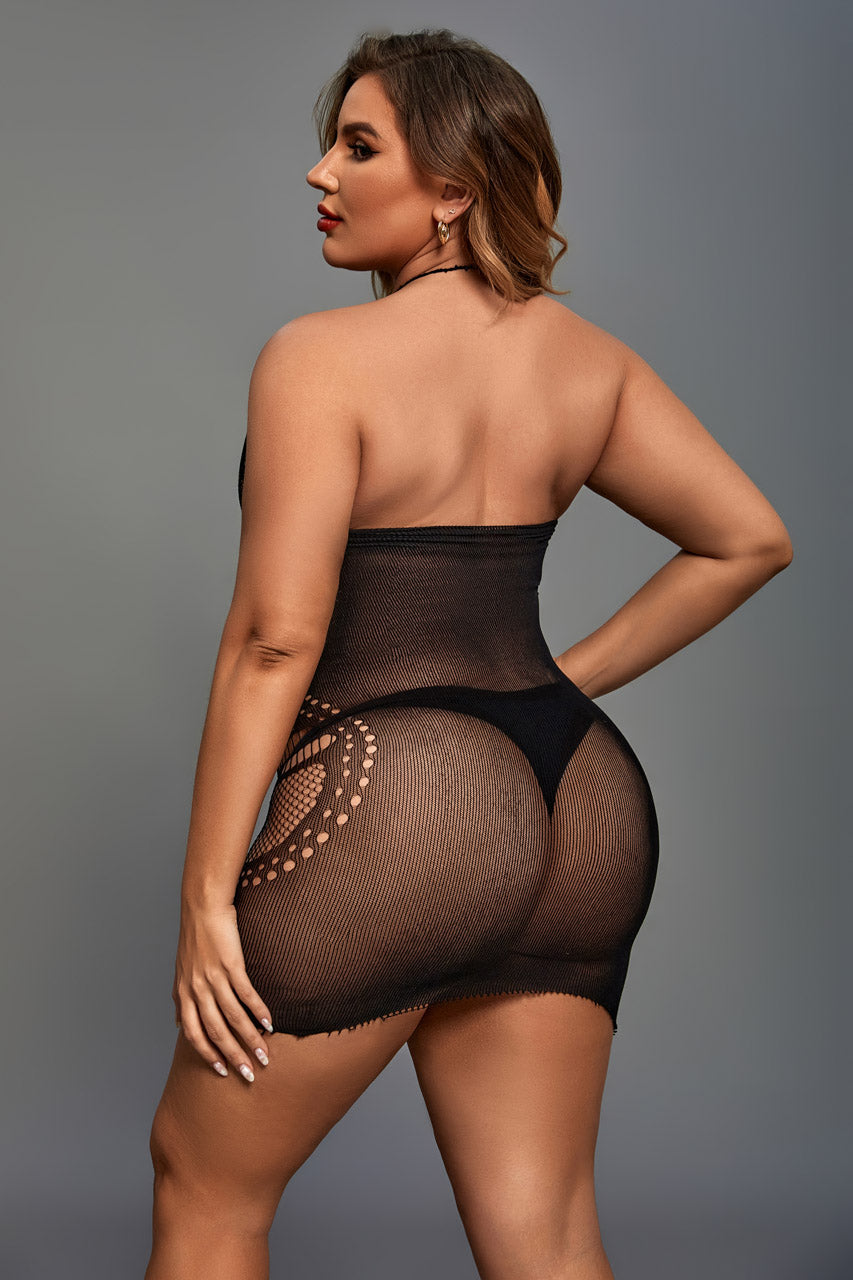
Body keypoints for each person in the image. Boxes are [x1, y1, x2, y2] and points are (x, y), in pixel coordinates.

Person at [144, 28, 793, 1280]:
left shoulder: (315, 358)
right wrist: (557, 690)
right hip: (583, 793)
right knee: (543, 1230)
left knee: (204, 1182)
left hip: (406, 800)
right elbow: (747, 538)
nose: (320, 173)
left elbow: (276, 639)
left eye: (358, 146)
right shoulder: (588, 360)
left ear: (451, 189)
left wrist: (204, 897)